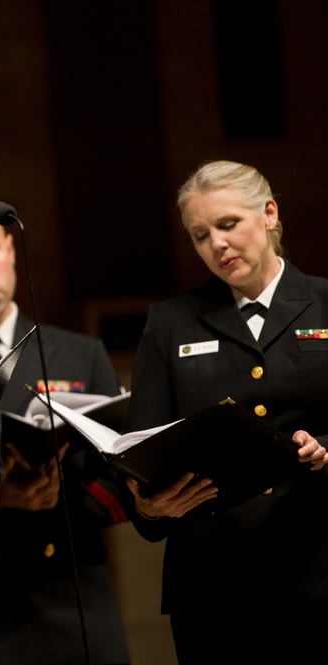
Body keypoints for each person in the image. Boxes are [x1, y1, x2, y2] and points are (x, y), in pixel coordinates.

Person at [124, 160, 328, 664]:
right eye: (200, 235)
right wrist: (148, 505)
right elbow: (141, 446)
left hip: (318, 568)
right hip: (213, 583)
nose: (216, 244)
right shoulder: (171, 322)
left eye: (228, 224)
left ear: (269, 214)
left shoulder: (325, 302)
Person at [0, 198, 130, 665]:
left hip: (68, 594)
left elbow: (123, 481)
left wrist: (57, 494)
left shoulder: (81, 354)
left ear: (12, 250)